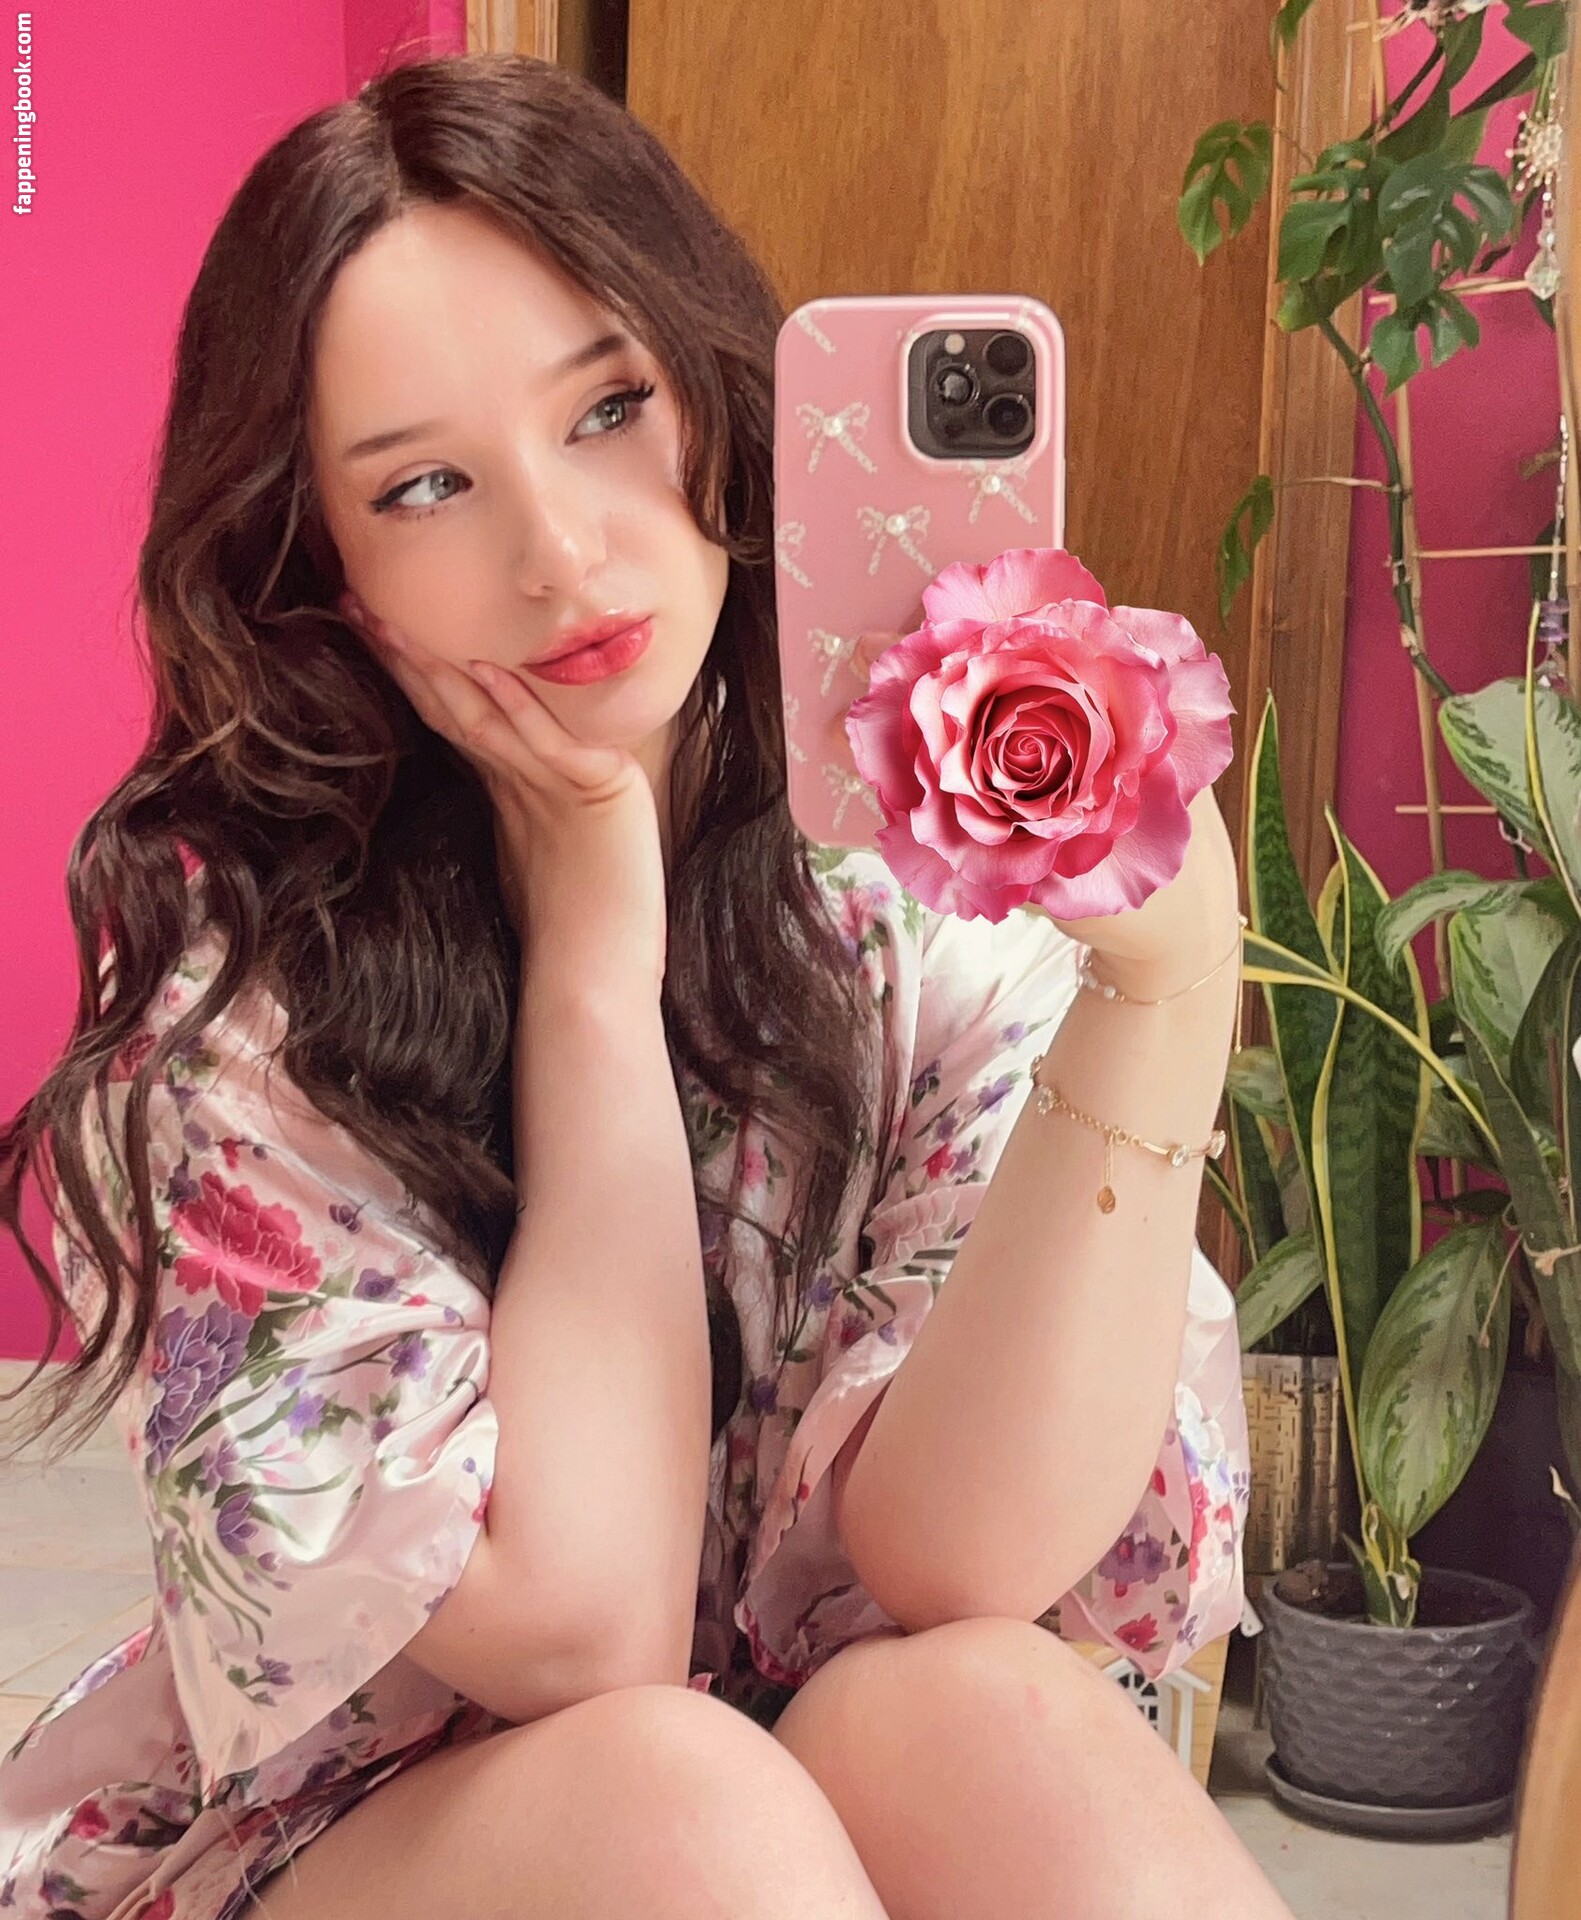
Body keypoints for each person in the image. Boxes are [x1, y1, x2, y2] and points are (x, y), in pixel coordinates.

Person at [0, 51, 1295, 1920]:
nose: (560, 551)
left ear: (712, 392)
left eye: (608, 407)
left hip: (777, 1801)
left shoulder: (896, 902)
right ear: (325, 570)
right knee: (676, 1797)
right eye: (426, 485)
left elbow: (960, 1562)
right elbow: (583, 1634)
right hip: (366, 1844)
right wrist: (592, 968)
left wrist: (1162, 994)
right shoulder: (243, 1012)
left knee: (989, 1711)